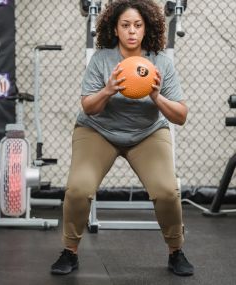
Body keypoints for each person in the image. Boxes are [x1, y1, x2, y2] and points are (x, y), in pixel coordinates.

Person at [50, 0, 194, 277]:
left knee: (166, 191)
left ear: (146, 27)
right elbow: (88, 107)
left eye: (137, 25)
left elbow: (181, 116)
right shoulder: (102, 59)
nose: (131, 31)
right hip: (98, 131)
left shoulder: (160, 61)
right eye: (125, 25)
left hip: (147, 133)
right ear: (115, 29)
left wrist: (156, 96)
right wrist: (107, 90)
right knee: (78, 189)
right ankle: (70, 251)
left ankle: (176, 251)